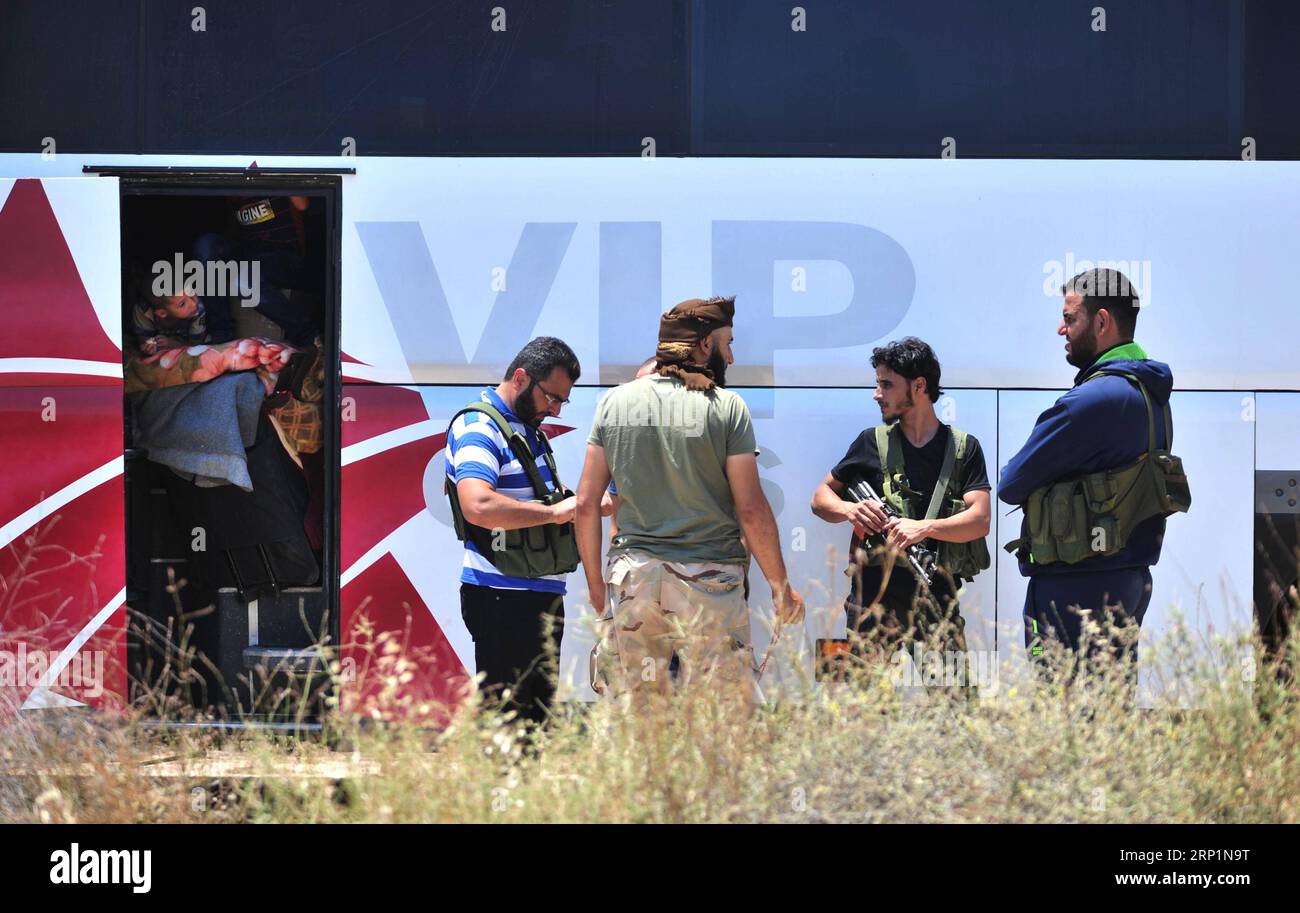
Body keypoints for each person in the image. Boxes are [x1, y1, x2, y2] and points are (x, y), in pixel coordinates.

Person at [575, 296, 803, 710]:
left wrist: (595, 587)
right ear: (703, 346)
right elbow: (750, 508)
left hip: (634, 582)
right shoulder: (726, 407)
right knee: (720, 721)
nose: (730, 356)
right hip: (709, 583)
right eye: (727, 343)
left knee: (640, 718)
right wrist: (780, 587)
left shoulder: (613, 402)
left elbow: (587, 504)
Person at [999, 268, 1189, 682]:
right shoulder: (1148, 393)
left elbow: (1010, 484)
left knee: (1066, 719)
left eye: (1070, 319)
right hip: (1128, 580)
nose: (1060, 329)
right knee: (1109, 716)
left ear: (1101, 322)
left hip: (1074, 587)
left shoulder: (1090, 400)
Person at [810, 337, 991, 688]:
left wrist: (923, 529)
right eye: (878, 384)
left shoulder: (964, 448)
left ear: (919, 386)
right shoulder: (869, 442)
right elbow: (820, 498)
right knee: (858, 703)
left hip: (937, 596)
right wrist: (850, 510)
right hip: (873, 598)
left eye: (886, 384)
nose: (877, 394)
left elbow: (979, 520)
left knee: (955, 704)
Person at [444, 336, 581, 729]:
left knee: (534, 727)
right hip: (502, 598)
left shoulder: (525, 427)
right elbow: (478, 505)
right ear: (521, 378)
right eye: (551, 397)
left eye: (562, 402)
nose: (554, 409)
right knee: (506, 728)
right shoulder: (480, 427)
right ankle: (499, 794)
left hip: (537, 597)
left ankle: (520, 792)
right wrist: (554, 514)